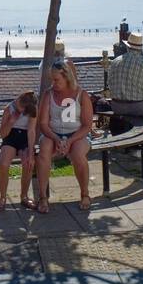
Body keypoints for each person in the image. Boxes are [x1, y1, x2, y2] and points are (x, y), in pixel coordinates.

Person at [37, 60, 94, 212]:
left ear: (67, 77)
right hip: (53, 134)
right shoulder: (48, 94)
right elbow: (43, 124)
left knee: (78, 154)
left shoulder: (82, 94)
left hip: (77, 134)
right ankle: (42, 197)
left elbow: (87, 125)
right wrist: (56, 139)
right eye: (51, 80)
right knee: (44, 150)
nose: (53, 83)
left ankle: (85, 193)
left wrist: (70, 140)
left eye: (56, 80)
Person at [0, 91, 38, 213]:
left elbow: (31, 131)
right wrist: (11, 121)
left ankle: (24, 196)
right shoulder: (9, 108)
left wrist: (31, 153)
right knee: (4, 164)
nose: (20, 110)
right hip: (10, 136)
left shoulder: (32, 110)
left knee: (28, 163)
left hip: (24, 136)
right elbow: (2, 134)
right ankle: (2, 197)